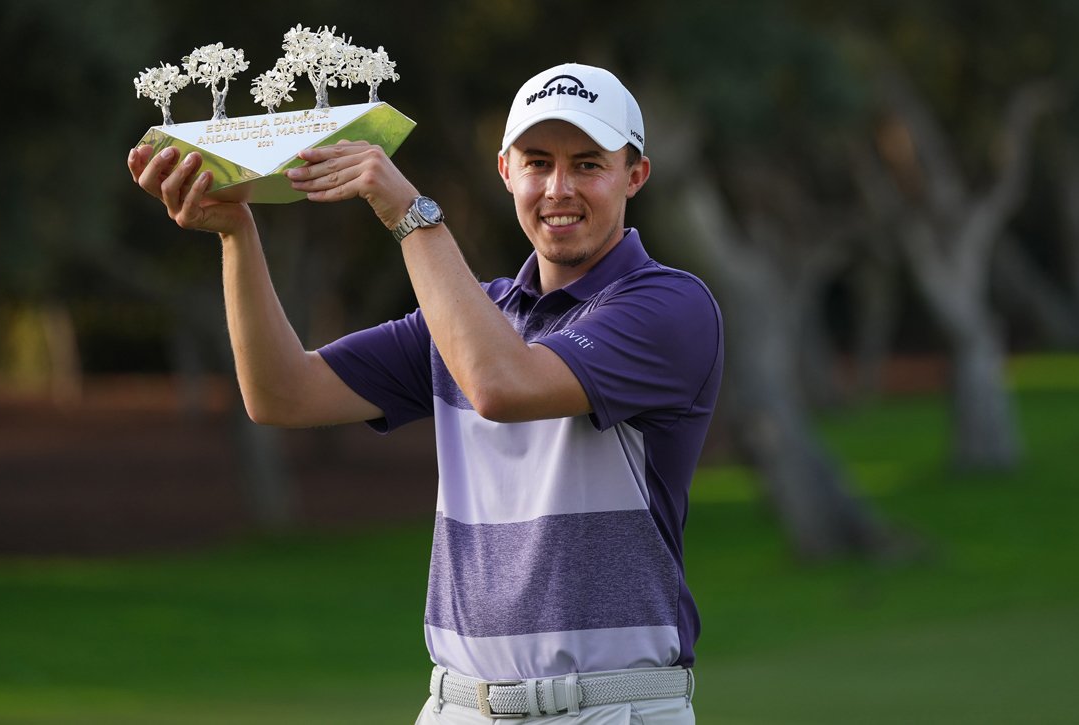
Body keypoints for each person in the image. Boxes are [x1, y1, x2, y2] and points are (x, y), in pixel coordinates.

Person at [128, 62, 722, 723]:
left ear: (635, 175)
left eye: (588, 165)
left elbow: (501, 385)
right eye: (537, 163)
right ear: (506, 171)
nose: (559, 188)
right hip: (456, 704)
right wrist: (236, 232)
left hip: (611, 707)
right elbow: (282, 394)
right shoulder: (468, 315)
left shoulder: (671, 306)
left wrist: (411, 214)